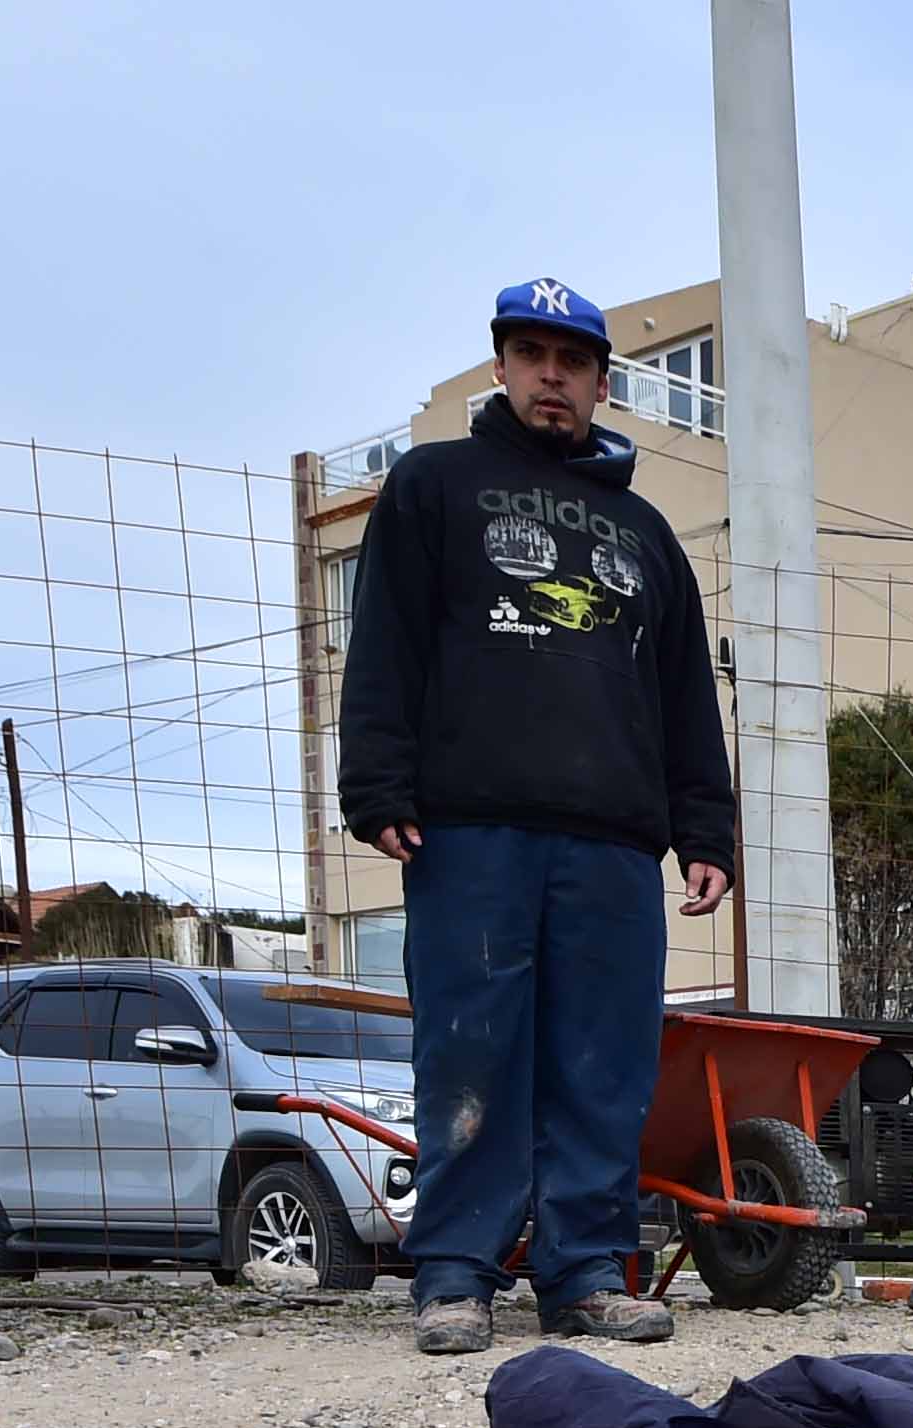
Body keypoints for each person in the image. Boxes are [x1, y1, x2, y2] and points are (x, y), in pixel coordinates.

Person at [337, 277, 736, 1357]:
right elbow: (383, 641)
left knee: (602, 1063)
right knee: (471, 1048)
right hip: (469, 830)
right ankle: (456, 1275)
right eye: (531, 355)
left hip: (610, 840)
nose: (551, 376)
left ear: (603, 382)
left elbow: (684, 692)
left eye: (573, 361)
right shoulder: (434, 487)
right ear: (502, 365)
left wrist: (706, 828)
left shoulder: (644, 532)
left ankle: (585, 1272)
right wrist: (375, 785)